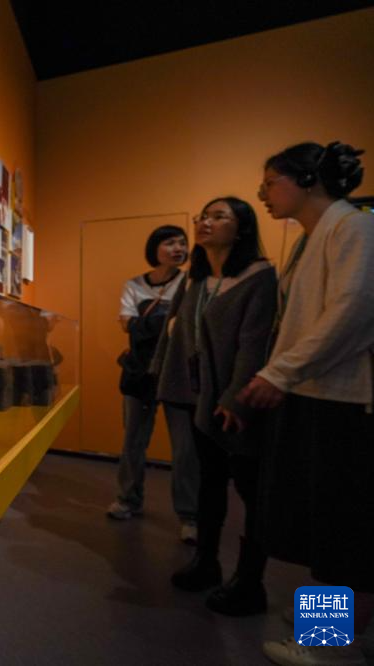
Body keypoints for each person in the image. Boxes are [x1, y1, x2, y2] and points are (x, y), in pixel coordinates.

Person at [239, 142, 372, 666]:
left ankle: (327, 643)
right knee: (324, 519)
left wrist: (282, 371)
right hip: (316, 394)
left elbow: (352, 312)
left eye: (271, 182)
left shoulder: (353, 228)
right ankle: (333, 625)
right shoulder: (313, 237)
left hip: (343, 400)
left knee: (340, 525)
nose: (262, 193)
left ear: (308, 179)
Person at [156, 197, 277, 616]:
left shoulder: (259, 276)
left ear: (242, 228)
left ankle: (250, 582)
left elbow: (254, 342)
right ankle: (206, 562)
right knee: (209, 482)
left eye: (218, 216)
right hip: (200, 398)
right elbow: (178, 334)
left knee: (250, 489)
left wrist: (235, 396)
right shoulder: (198, 278)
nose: (205, 222)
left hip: (237, 401)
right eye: (203, 216)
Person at [107, 226, 200, 545]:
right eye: (170, 242)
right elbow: (126, 325)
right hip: (140, 371)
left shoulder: (192, 281)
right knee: (133, 440)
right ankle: (127, 499)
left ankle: (189, 515)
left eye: (182, 243)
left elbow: (187, 325)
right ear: (155, 248)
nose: (178, 248)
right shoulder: (134, 284)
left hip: (178, 372)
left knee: (185, 448)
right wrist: (167, 321)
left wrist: (143, 324)